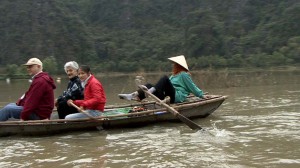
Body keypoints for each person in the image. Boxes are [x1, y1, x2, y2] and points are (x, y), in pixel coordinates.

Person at [118, 55, 209, 103]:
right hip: (167, 96)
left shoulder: (184, 74)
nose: (173, 66)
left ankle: (149, 92)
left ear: (179, 65)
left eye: (175, 64)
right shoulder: (173, 76)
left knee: (164, 78)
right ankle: (134, 95)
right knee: (149, 85)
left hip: (175, 97)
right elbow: (165, 86)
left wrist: (201, 95)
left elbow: (192, 87)